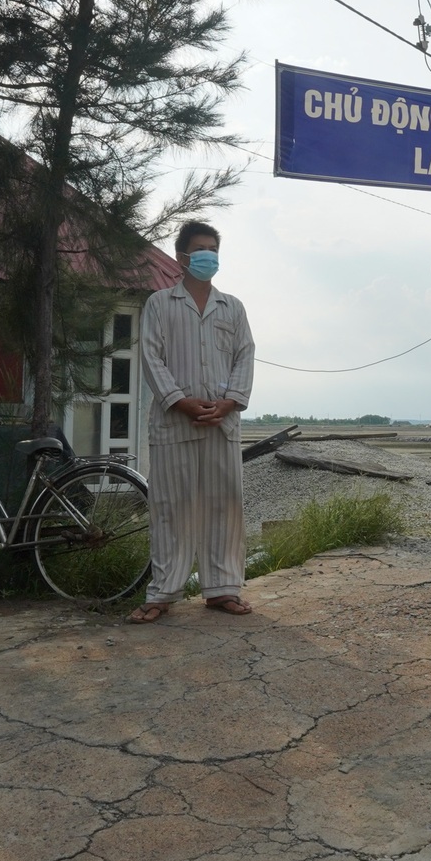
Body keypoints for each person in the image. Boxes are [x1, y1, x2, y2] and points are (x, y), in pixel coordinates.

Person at [128, 221, 255, 623]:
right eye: (200, 249)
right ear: (182, 257)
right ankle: (162, 593)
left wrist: (230, 403)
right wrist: (180, 401)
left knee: (224, 507)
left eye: (214, 250)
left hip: (222, 423)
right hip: (174, 423)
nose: (208, 257)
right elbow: (151, 357)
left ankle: (222, 589)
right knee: (171, 508)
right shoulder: (160, 304)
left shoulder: (231, 307)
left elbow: (245, 356)